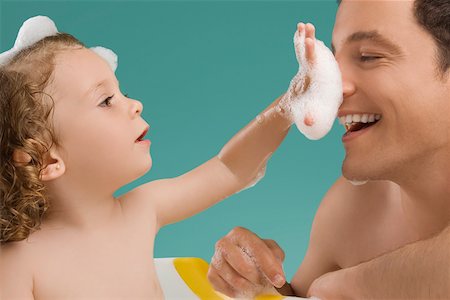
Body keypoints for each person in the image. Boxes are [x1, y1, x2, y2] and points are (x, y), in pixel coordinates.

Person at [0, 17, 323, 299]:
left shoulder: (141, 210)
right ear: (43, 158)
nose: (135, 103)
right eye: (106, 100)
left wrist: (292, 102)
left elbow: (230, 168)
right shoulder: (17, 264)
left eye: (122, 91)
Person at [207, 0, 450, 299]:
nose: (334, 88)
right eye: (333, 63)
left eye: (369, 56)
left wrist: (340, 286)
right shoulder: (353, 209)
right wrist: (258, 286)